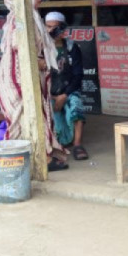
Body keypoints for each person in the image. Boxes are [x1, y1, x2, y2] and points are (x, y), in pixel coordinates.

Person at [0, 0, 69, 171]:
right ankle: (34, 158)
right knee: (26, 116)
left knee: (35, 114)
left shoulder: (30, 17)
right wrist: (38, 62)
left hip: (27, 75)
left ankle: (38, 156)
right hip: (17, 77)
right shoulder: (20, 19)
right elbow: (20, 48)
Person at [44, 11, 88, 160]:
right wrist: (51, 95)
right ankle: (53, 145)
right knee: (59, 131)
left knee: (76, 104)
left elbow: (78, 75)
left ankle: (78, 145)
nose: (51, 30)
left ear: (63, 28)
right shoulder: (41, 49)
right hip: (48, 93)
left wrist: (65, 95)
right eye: (48, 26)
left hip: (68, 91)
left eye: (55, 27)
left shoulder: (71, 47)